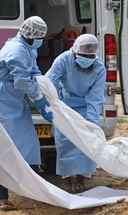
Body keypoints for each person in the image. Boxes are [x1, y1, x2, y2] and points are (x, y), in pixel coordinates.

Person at [0, 16, 53, 211]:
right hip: (1, 99)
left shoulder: (28, 47)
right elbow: (21, 81)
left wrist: (44, 86)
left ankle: (31, 189)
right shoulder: (16, 50)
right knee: (4, 145)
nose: (40, 40)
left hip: (13, 98)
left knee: (28, 142)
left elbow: (32, 71)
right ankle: (0, 197)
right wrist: (38, 99)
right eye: (39, 36)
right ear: (31, 35)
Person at [45, 34, 106, 193]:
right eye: (83, 55)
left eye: (90, 56)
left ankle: (81, 179)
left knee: (87, 142)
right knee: (64, 142)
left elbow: (95, 97)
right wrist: (56, 101)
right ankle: (66, 178)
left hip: (86, 106)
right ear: (75, 52)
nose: (87, 59)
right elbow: (49, 80)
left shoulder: (99, 68)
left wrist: (91, 122)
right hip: (65, 105)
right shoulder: (64, 59)